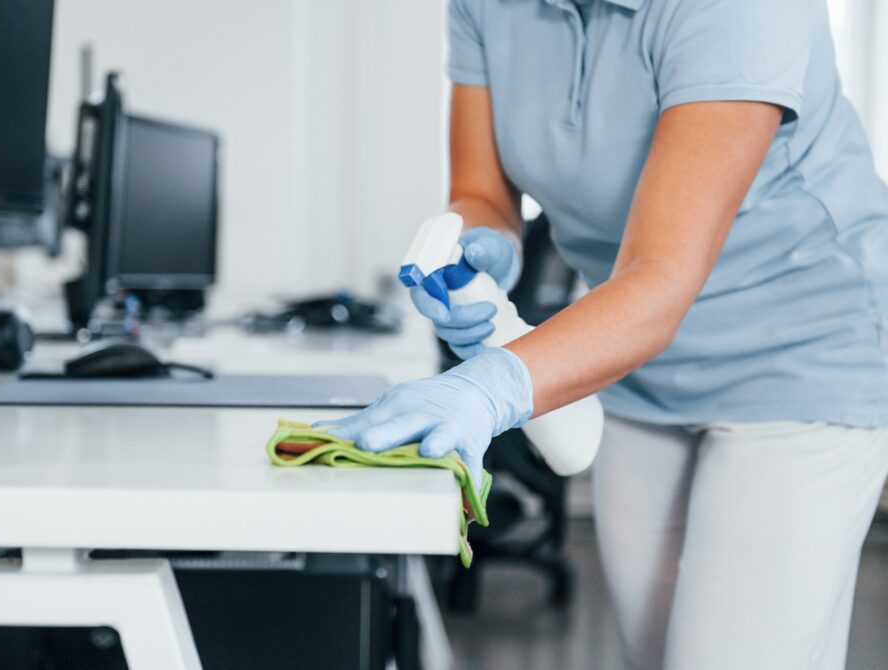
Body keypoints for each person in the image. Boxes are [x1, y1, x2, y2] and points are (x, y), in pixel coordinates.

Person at [316, 0, 888, 668]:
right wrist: (480, 245)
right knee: (657, 652)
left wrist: (492, 386)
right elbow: (482, 187)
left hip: (803, 354)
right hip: (634, 365)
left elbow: (661, 275)